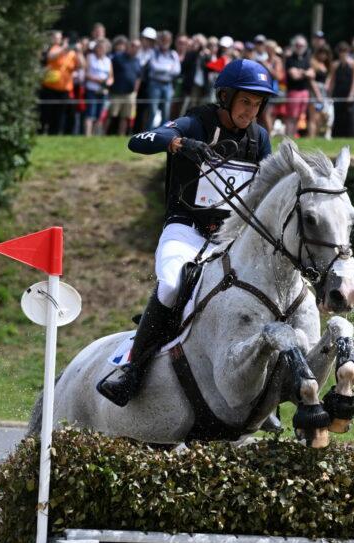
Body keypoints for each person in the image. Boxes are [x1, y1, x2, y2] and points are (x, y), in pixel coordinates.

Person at [96, 59, 276, 406]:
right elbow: (140, 141)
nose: (250, 112)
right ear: (225, 97)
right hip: (185, 230)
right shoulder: (196, 122)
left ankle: (260, 392)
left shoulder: (259, 139)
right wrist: (178, 144)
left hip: (228, 240)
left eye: (257, 105)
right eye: (245, 102)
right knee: (172, 285)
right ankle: (132, 372)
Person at [39, 32, 83, 135]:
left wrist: (79, 51)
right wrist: (65, 48)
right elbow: (51, 56)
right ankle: (40, 132)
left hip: (64, 89)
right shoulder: (56, 48)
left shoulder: (73, 54)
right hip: (49, 88)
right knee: (45, 113)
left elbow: (82, 65)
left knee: (59, 115)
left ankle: (54, 134)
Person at [282, 35, 314, 137]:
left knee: (299, 117)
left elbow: (312, 75)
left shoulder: (307, 59)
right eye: (298, 45)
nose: (300, 47)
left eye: (302, 45)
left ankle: (294, 137)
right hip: (293, 92)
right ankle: (289, 137)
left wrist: (301, 72)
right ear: (294, 46)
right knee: (291, 117)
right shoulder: (290, 59)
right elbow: (294, 76)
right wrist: (305, 73)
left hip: (304, 92)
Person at [109, 37, 141, 136]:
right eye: (133, 46)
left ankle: (121, 135)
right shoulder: (117, 57)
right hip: (116, 92)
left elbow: (138, 77)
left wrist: (135, 92)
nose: (135, 48)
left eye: (137, 47)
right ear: (128, 46)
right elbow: (110, 71)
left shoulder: (137, 60)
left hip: (130, 93)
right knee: (111, 115)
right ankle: (101, 133)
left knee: (125, 116)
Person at [327, 41, 354, 138]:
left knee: (350, 116)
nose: (343, 53)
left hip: (348, 92)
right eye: (341, 51)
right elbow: (332, 80)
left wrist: (352, 94)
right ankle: (337, 136)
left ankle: (351, 136)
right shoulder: (334, 65)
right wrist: (329, 94)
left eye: (345, 51)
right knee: (338, 116)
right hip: (338, 92)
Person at [84, 39, 113, 136]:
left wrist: (108, 82)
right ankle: (87, 135)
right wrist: (97, 80)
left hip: (103, 91)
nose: (101, 50)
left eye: (103, 48)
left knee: (99, 114)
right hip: (92, 89)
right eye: (99, 47)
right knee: (90, 113)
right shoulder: (90, 57)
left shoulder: (108, 60)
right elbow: (86, 74)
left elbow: (111, 77)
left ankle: (95, 135)